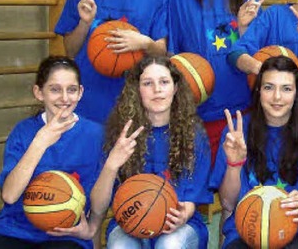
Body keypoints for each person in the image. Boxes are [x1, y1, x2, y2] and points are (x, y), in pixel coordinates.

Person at [0, 56, 104, 249]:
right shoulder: (23, 131)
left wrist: (91, 229)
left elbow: (101, 202)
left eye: (71, 90)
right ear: (39, 92)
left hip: (65, 235)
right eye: (55, 89)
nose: (65, 98)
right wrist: (40, 142)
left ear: (80, 92)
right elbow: (9, 196)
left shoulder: (96, 134)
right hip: (14, 229)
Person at [169, 0, 269, 164]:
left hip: (240, 114)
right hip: (194, 115)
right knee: (194, 195)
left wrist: (244, 28)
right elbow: (171, 55)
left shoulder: (249, 2)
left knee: (234, 195)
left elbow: (257, 64)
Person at [90, 55, 212, 249]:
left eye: (164, 82)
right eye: (148, 83)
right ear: (137, 91)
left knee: (169, 245)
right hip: (131, 220)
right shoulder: (120, 136)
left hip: (181, 225)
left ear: (175, 88)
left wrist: (183, 214)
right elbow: (98, 206)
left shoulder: (194, 136)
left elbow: (191, 200)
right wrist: (112, 165)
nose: (157, 90)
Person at [209, 56, 298, 248]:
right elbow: (228, 204)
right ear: (259, 91)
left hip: (294, 232)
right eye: (269, 87)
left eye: (286, 89)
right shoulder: (236, 132)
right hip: (245, 230)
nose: (277, 97)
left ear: (297, 94)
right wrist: (234, 164)